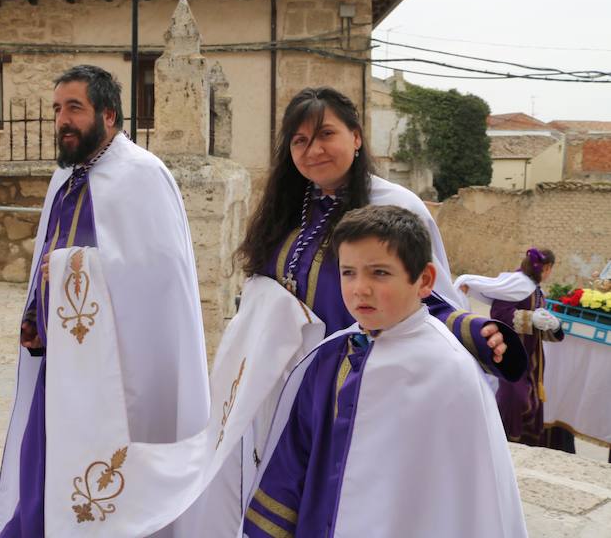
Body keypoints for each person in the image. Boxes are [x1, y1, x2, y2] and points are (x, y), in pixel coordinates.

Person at [199, 87, 526, 536]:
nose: (312, 150)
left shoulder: (395, 205)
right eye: (298, 141)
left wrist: (474, 331)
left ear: (356, 137)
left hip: (351, 384)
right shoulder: (290, 206)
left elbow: (424, 296)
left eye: (325, 134)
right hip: (278, 381)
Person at [0, 65, 210, 538]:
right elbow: (48, 254)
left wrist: (77, 269)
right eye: (57, 109)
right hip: (62, 362)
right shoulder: (65, 177)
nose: (63, 120)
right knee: (47, 470)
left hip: (118, 373)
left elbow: (157, 278)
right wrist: (37, 315)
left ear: (109, 114)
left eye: (75, 108)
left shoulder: (143, 176)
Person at [242, 205, 527, 538]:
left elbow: (471, 498)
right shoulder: (331, 356)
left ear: (424, 280)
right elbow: (295, 455)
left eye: (379, 273)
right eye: (348, 272)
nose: (360, 288)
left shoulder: (448, 372)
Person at [455, 248, 565, 447]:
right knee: (514, 399)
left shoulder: (536, 290)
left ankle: (521, 445)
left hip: (531, 359)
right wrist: (531, 318)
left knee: (528, 401)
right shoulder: (517, 285)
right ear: (547, 268)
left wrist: (554, 326)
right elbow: (499, 313)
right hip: (510, 353)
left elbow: (539, 327)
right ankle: (501, 442)